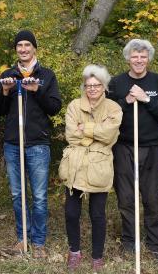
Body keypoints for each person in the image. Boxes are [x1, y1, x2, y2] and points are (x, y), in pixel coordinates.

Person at [0, 30, 62, 258]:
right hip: (13, 144)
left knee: (40, 196)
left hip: (37, 144)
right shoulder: (8, 75)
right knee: (17, 194)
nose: (23, 49)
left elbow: (54, 107)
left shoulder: (47, 75)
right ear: (16, 49)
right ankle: (22, 239)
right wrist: (4, 91)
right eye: (19, 45)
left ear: (34, 48)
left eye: (27, 45)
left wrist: (37, 91)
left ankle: (39, 242)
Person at [107, 39, 158, 259]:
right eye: (135, 56)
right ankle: (130, 241)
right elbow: (107, 113)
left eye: (143, 56)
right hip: (123, 147)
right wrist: (127, 100)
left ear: (148, 59)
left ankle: (154, 243)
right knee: (126, 198)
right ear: (128, 58)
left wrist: (147, 99)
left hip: (152, 148)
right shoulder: (117, 83)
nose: (139, 60)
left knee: (152, 198)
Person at [60, 64, 122, 270]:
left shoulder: (113, 108)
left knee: (97, 214)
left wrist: (85, 128)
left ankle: (97, 256)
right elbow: (71, 135)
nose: (92, 89)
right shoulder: (74, 106)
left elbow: (110, 136)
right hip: (75, 165)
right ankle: (74, 251)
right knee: (71, 212)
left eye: (97, 85)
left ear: (104, 87)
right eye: (88, 85)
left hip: (99, 166)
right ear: (84, 87)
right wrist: (97, 132)